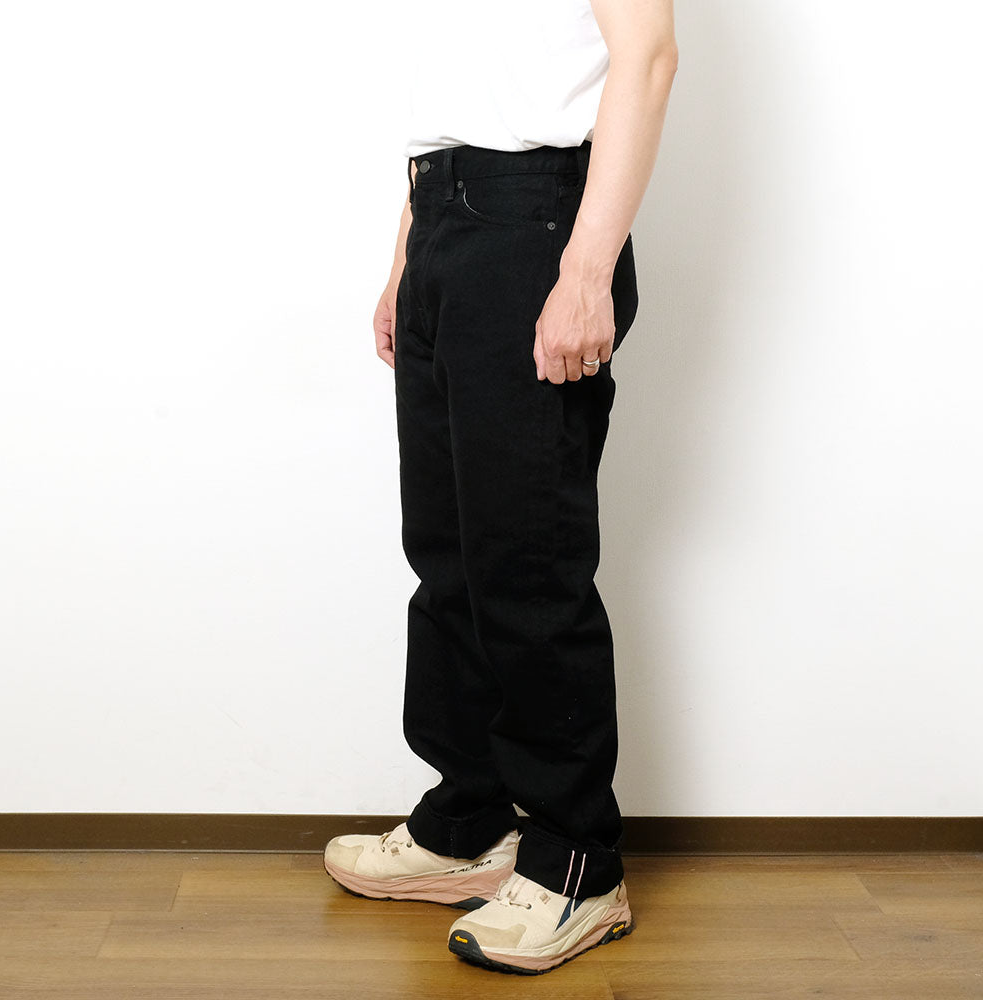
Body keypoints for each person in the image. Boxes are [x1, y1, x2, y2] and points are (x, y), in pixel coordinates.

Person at [325, 0, 678, 976]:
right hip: (446, 212)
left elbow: (648, 58)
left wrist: (587, 270)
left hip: (536, 222)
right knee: (449, 558)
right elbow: (462, 88)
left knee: (528, 562)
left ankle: (577, 865)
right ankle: (469, 824)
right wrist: (408, 256)